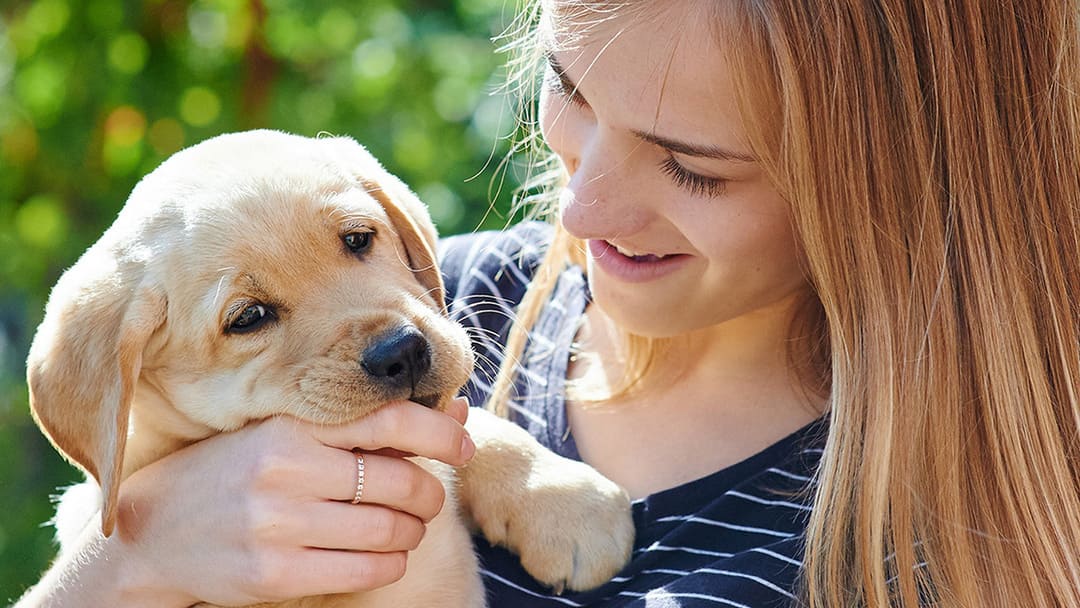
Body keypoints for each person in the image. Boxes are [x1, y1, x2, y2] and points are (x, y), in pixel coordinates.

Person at [15, 0, 1080, 606]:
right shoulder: (471, 298)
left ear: (885, 174)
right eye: (570, 88)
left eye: (693, 166)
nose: (582, 201)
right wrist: (135, 553)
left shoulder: (946, 532)